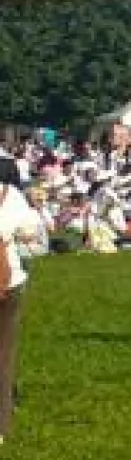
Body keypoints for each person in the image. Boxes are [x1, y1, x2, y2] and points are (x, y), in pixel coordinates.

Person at [0, 157, 35, 445]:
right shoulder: (13, 197)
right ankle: (1, 425)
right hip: (8, 279)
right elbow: (32, 235)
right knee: (4, 356)